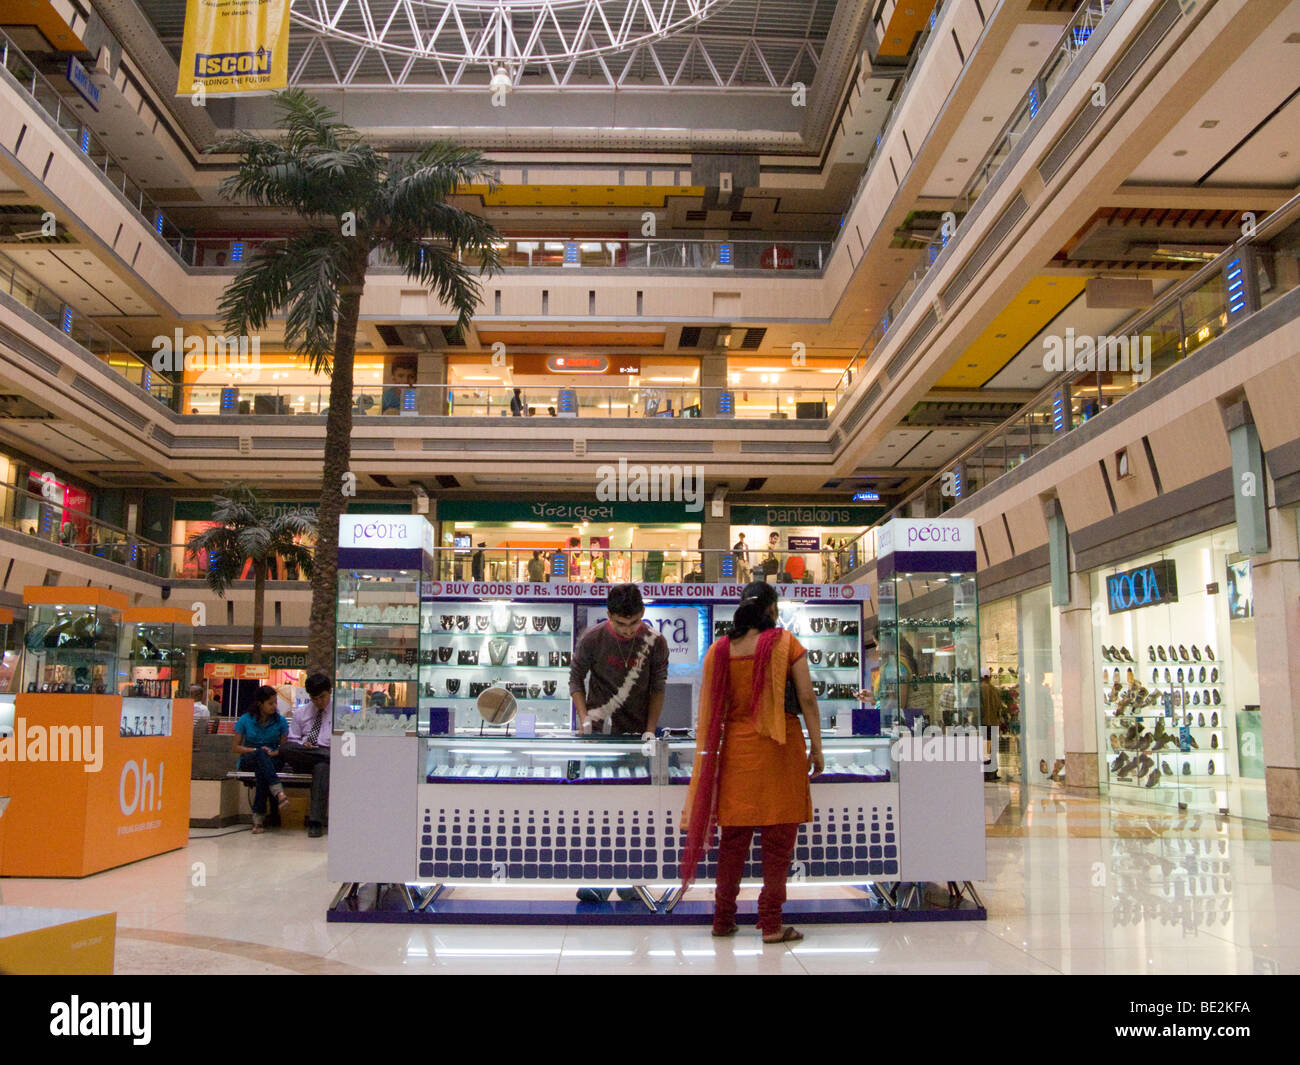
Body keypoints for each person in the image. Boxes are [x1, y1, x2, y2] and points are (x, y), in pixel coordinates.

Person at [681, 581, 824, 943]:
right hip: (781, 750)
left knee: (733, 841)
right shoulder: (786, 644)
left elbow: (712, 708)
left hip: (738, 754)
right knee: (777, 843)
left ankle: (722, 919)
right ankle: (772, 924)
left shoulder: (719, 650)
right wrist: (817, 747)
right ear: (772, 611)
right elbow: (806, 697)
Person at [569, 583, 669, 903]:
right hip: (599, 737)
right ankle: (599, 877)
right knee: (600, 808)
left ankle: (631, 880)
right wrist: (584, 719)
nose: (627, 630)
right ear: (608, 615)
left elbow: (657, 689)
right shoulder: (592, 638)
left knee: (635, 812)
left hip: (637, 736)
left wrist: (650, 731)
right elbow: (575, 680)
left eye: (634, 623)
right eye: (620, 624)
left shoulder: (656, 644)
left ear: (642, 614)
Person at [232, 684, 290, 833]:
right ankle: (278, 793)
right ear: (260, 703)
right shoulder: (245, 720)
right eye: (270, 703)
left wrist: (272, 753)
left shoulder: (280, 721)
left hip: (273, 759)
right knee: (260, 756)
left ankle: (258, 820)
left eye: (275, 703)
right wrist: (255, 750)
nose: (274, 706)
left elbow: (283, 749)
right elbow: (235, 747)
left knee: (262, 770)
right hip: (249, 758)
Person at [283, 673, 332, 837]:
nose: (319, 702)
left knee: (322, 767)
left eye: (322, 697)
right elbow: (293, 740)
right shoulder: (301, 713)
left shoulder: (340, 714)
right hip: (305, 756)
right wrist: (303, 745)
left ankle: (315, 822)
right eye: (314, 698)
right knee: (286, 749)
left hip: (324, 759)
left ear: (330, 692)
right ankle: (326, 756)